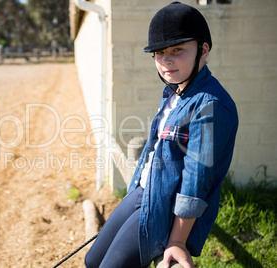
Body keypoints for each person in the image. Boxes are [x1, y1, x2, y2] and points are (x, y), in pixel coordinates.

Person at [84, 2, 238, 268]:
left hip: (163, 210)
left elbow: (195, 182)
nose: (166, 60)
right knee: (91, 259)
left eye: (177, 50)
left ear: (203, 50)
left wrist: (177, 242)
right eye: (159, 52)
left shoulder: (211, 106)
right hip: (143, 191)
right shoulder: (173, 91)